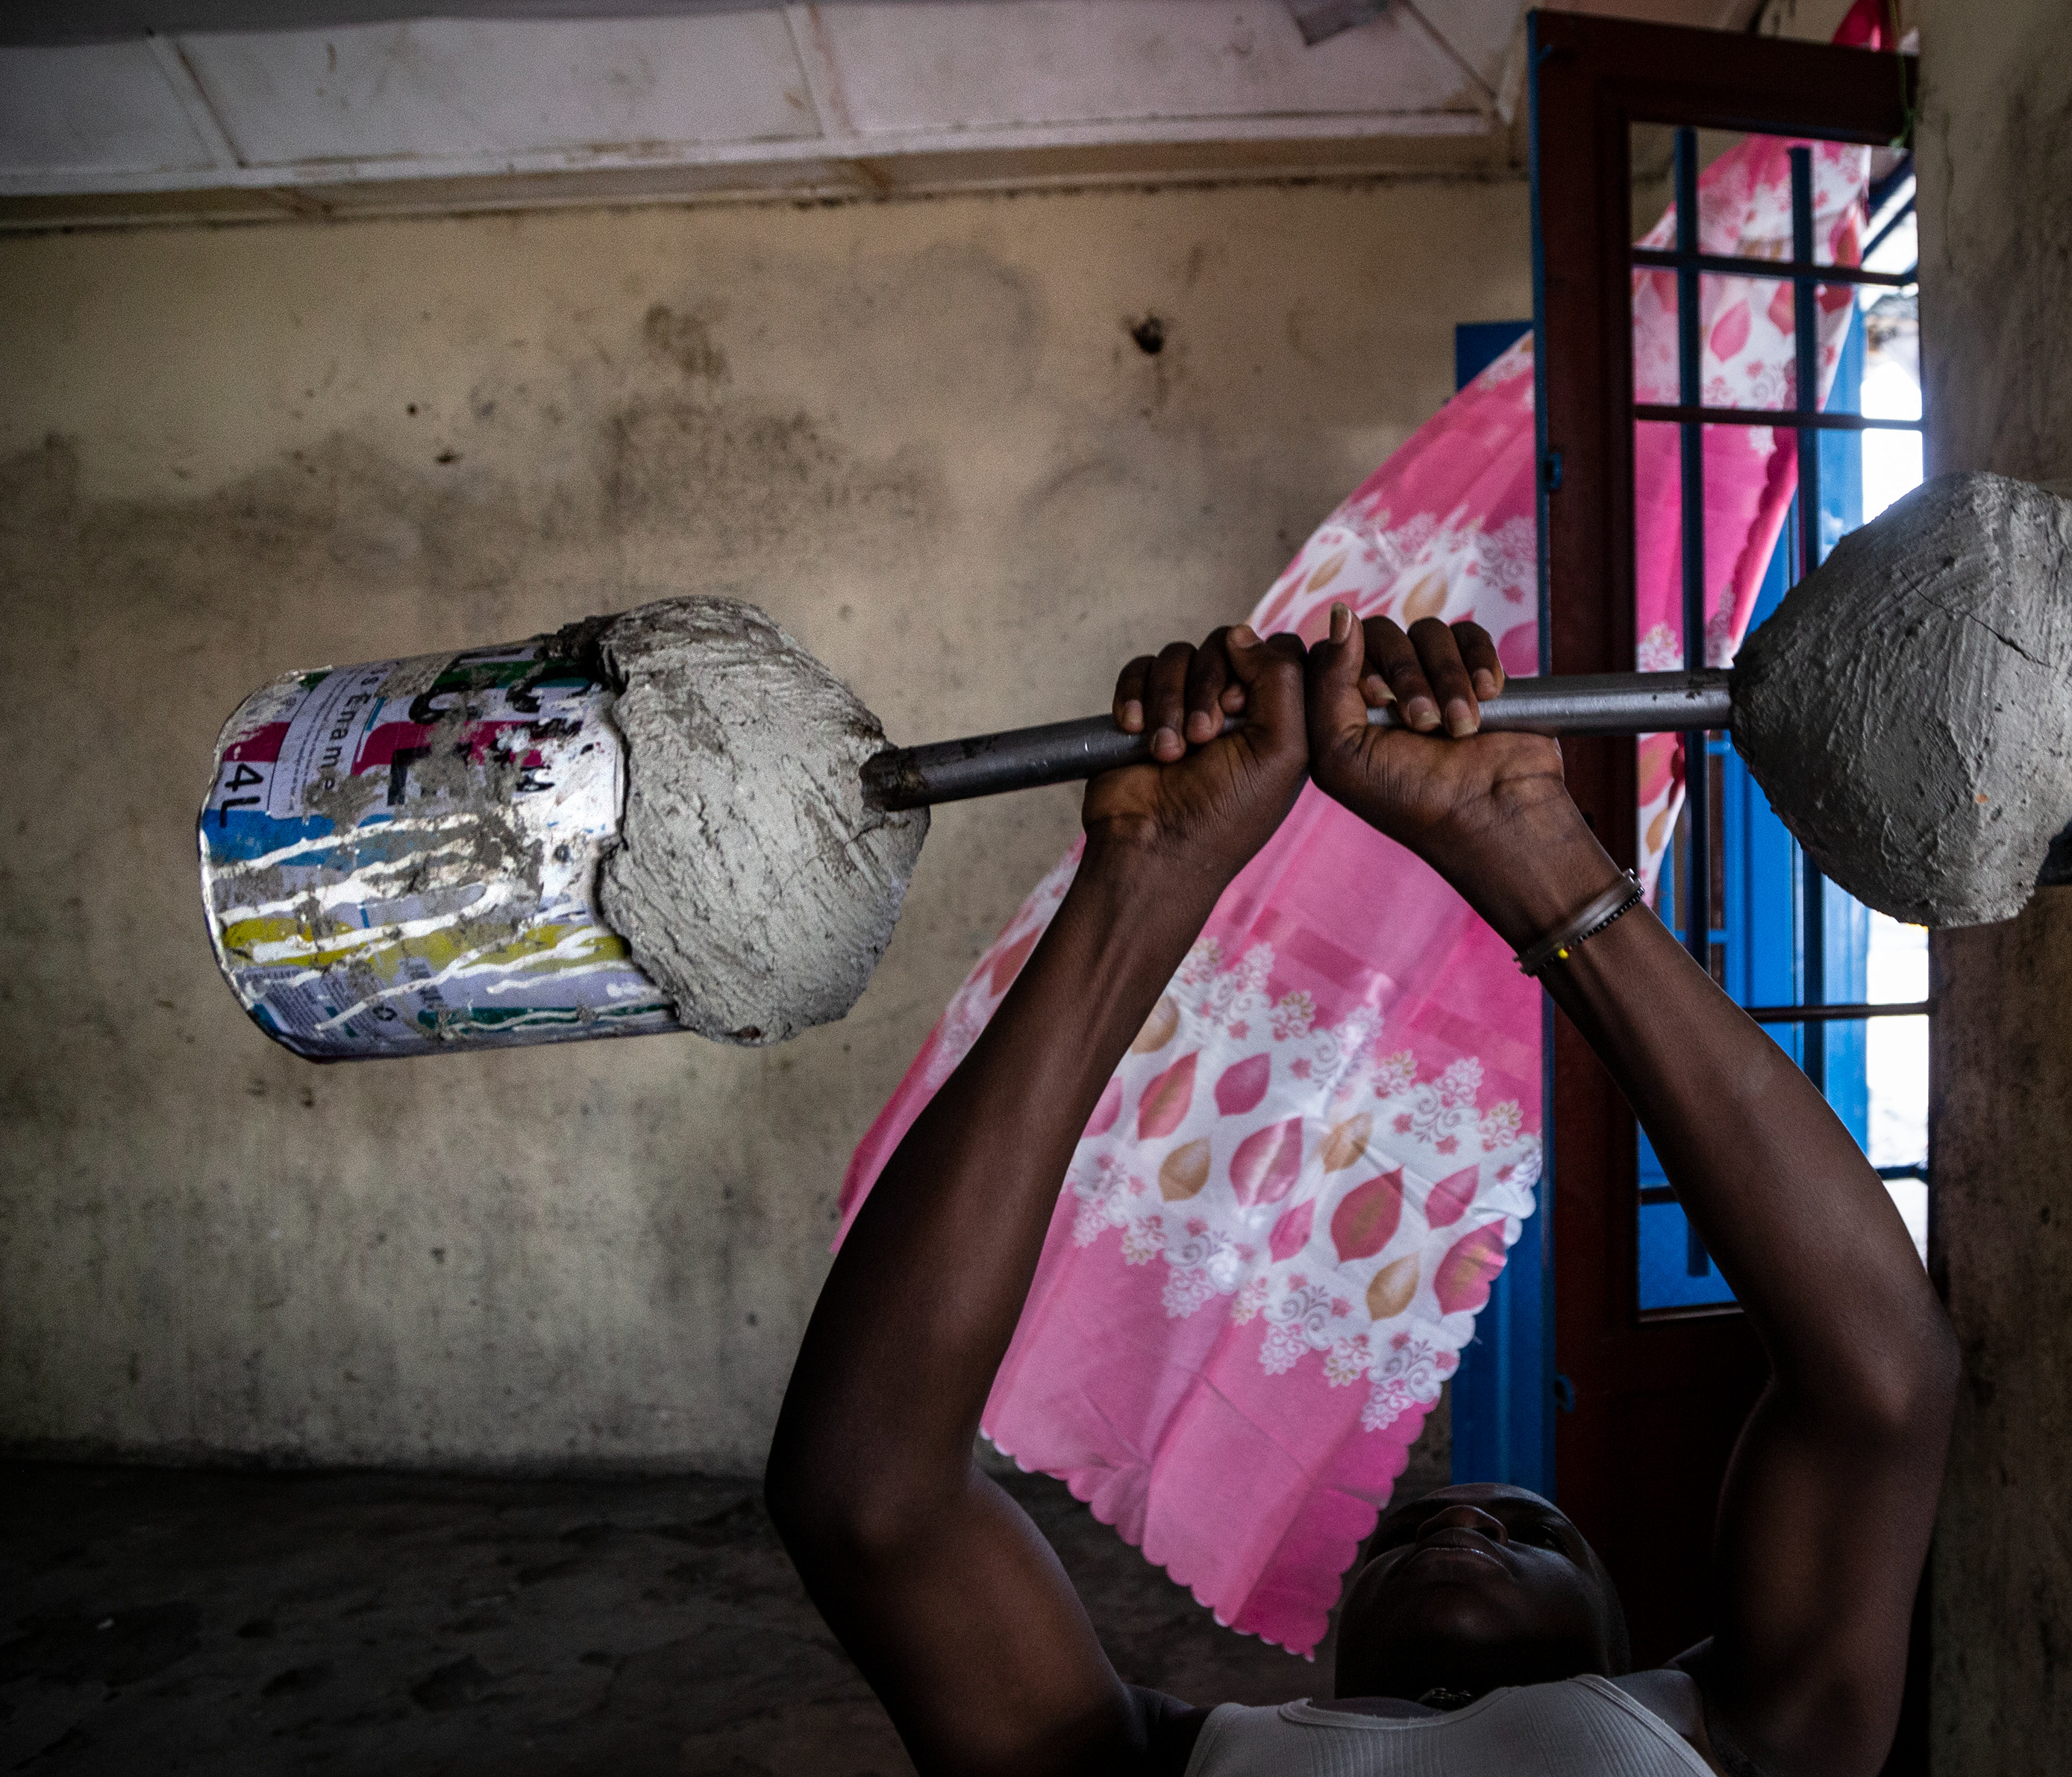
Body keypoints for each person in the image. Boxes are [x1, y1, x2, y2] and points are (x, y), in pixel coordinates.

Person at [766, 609, 1961, 1777]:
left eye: (1524, 1532)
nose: (1457, 1521)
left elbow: (867, 1496)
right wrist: (1524, 852)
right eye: (1515, 1523)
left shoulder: (1147, 1758)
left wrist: (1147, 882)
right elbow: (1882, 1378)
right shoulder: (1747, 1741)